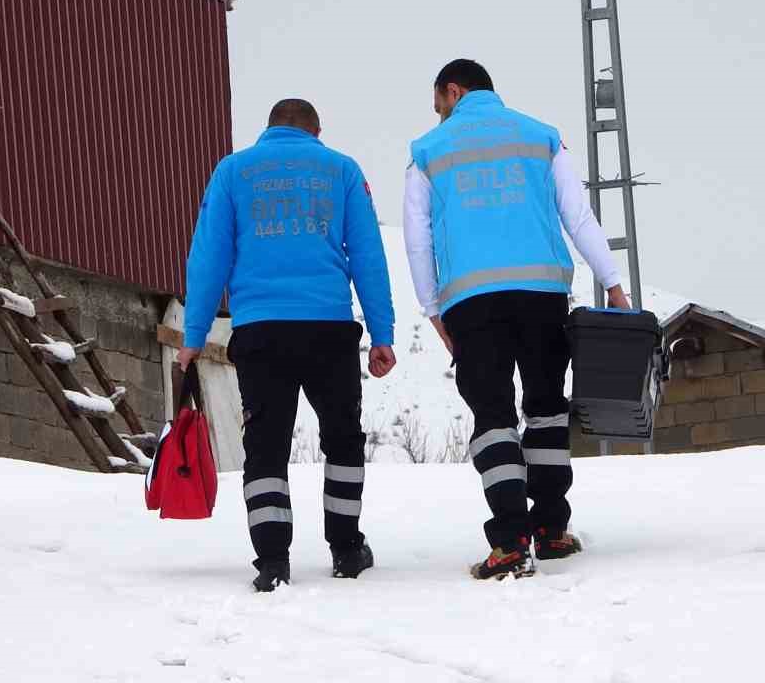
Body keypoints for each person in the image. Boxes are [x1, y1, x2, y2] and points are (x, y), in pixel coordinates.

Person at [402, 59, 631, 580]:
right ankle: (551, 530)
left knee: (493, 417)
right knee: (547, 408)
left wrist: (432, 309)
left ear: (453, 91)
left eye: (439, 105)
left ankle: (509, 543)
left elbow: (418, 239)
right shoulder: (541, 137)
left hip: (471, 302)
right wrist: (614, 285)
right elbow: (578, 215)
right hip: (542, 294)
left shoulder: (426, 152)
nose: (438, 116)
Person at [179, 98, 396, 592]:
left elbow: (208, 258)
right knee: (342, 437)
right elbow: (367, 255)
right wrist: (381, 334)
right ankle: (346, 549)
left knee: (265, 445)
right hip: (328, 329)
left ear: (269, 129)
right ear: (316, 132)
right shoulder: (342, 169)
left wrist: (194, 337)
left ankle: (273, 561)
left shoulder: (233, 171)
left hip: (260, 331)